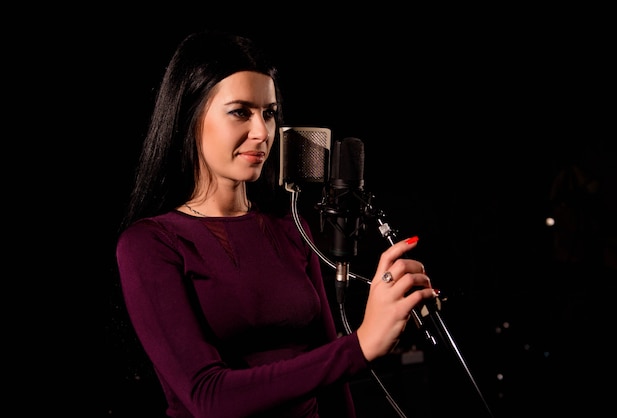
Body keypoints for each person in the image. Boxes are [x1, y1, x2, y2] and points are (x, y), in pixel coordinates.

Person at [115, 29, 438, 418]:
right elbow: (208, 397)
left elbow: (332, 385)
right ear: (190, 115)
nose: (262, 132)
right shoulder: (151, 244)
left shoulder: (292, 229)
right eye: (240, 112)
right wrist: (360, 345)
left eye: (268, 113)